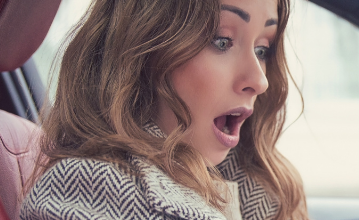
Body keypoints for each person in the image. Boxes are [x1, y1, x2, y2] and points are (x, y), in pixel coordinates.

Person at [19, 0, 306, 219]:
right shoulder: (86, 189)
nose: (259, 81)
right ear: (143, 49)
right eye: (222, 41)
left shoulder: (253, 185)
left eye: (262, 50)